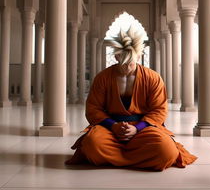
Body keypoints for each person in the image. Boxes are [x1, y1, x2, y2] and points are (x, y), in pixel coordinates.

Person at [66, 25, 197, 171]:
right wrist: (114, 126)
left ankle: (114, 159)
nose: (127, 67)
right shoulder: (103, 78)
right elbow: (93, 109)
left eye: (131, 62)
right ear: (116, 56)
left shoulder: (153, 78)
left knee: (166, 150)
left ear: (139, 56)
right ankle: (138, 159)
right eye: (123, 61)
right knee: (92, 144)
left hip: (143, 128)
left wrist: (137, 128)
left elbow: (159, 110)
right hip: (110, 127)